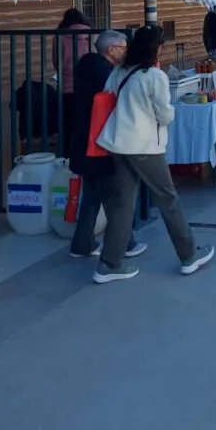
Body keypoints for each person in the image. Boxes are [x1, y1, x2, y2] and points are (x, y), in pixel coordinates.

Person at [95, 26, 214, 283]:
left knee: (122, 205)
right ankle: (189, 255)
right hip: (145, 147)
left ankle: (109, 263)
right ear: (155, 48)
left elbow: (108, 96)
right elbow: (165, 115)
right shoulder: (154, 76)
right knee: (168, 199)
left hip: (117, 144)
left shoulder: (119, 71)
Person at [68, 30, 145, 260]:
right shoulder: (103, 74)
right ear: (111, 50)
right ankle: (125, 244)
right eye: (123, 48)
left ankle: (81, 244)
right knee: (115, 198)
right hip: (98, 144)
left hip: (86, 142)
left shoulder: (90, 68)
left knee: (92, 196)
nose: (125, 52)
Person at [52, 8, 92, 154]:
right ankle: (86, 155)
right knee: (88, 124)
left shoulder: (59, 36)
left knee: (67, 125)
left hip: (67, 86)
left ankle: (67, 157)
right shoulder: (93, 34)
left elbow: (56, 62)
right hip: (89, 86)